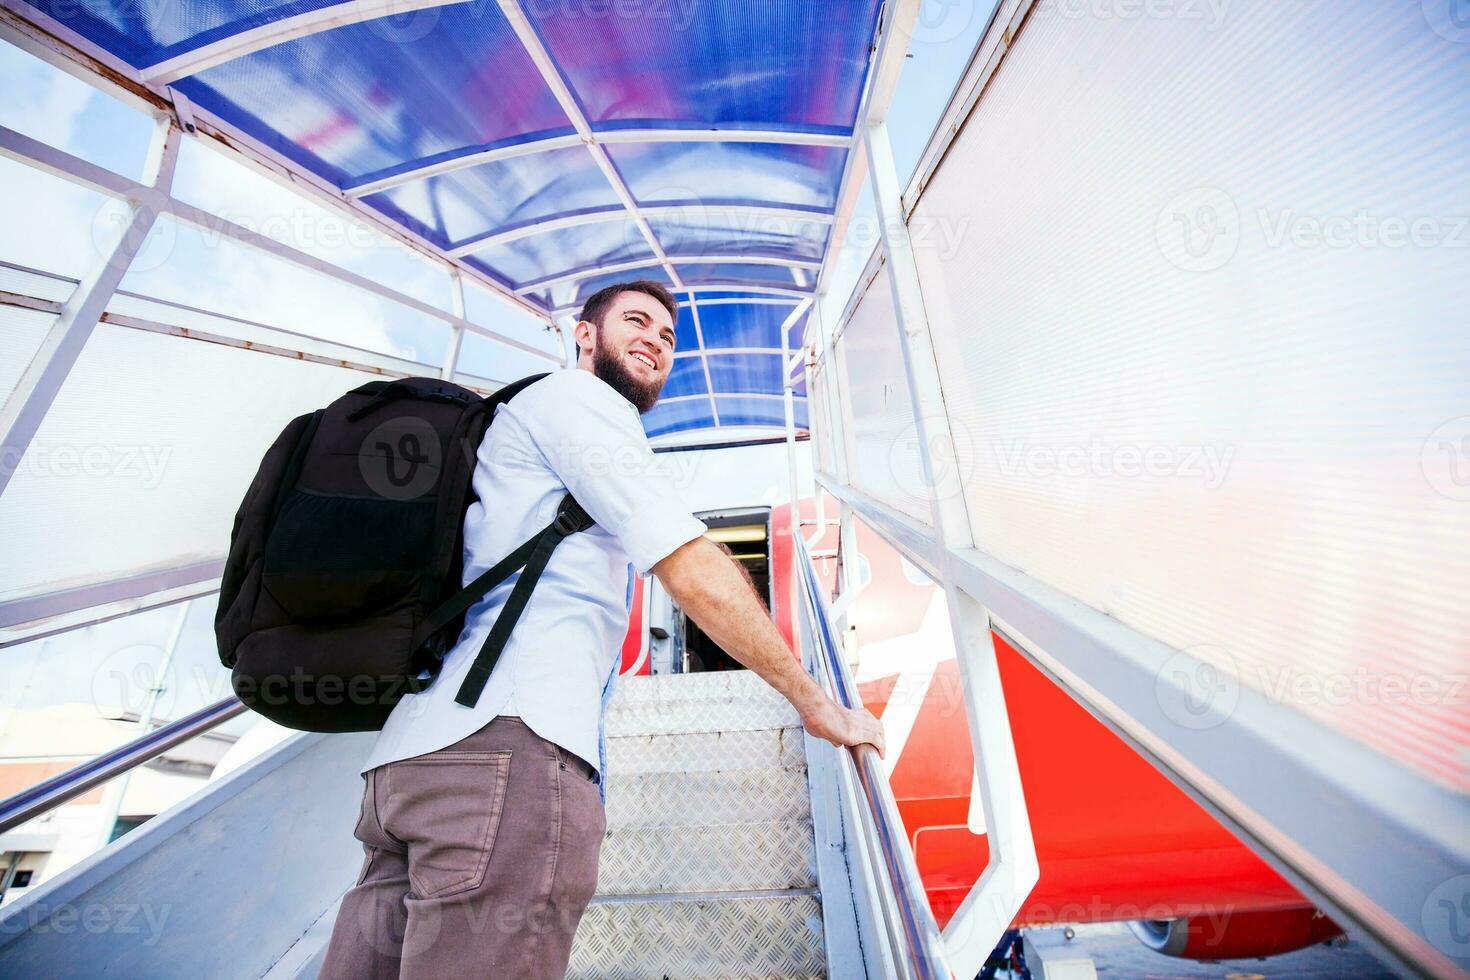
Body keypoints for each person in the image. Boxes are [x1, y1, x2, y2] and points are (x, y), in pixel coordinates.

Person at [318, 280, 885, 979]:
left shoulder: (517, 421)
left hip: (408, 767)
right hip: (504, 757)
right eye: (636, 322)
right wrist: (815, 701)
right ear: (584, 335)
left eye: (670, 337)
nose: (655, 340)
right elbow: (685, 562)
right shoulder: (582, 402)